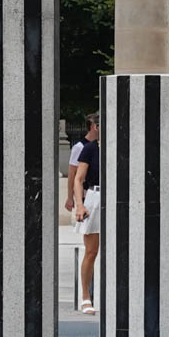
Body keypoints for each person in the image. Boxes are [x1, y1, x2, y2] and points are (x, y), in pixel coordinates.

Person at [70, 112, 101, 315]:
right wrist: (79, 205)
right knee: (91, 251)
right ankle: (85, 296)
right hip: (95, 196)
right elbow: (78, 179)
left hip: (117, 196)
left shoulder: (120, 147)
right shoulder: (90, 148)